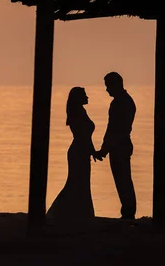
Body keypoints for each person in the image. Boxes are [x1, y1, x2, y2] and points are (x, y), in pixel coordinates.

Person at [47, 87, 103, 221]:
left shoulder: (80, 111)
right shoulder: (78, 112)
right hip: (79, 151)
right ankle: (63, 212)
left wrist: (92, 151)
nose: (87, 97)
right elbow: (83, 135)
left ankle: (78, 213)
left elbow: (86, 136)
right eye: (85, 95)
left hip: (81, 150)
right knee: (76, 182)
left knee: (80, 183)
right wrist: (92, 151)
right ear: (78, 98)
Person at [95, 71, 137, 220]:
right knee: (124, 179)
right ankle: (128, 210)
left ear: (115, 85)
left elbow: (113, 128)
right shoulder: (126, 101)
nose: (107, 90)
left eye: (108, 86)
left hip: (119, 145)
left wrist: (104, 149)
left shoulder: (119, 103)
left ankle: (128, 212)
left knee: (122, 179)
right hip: (122, 144)